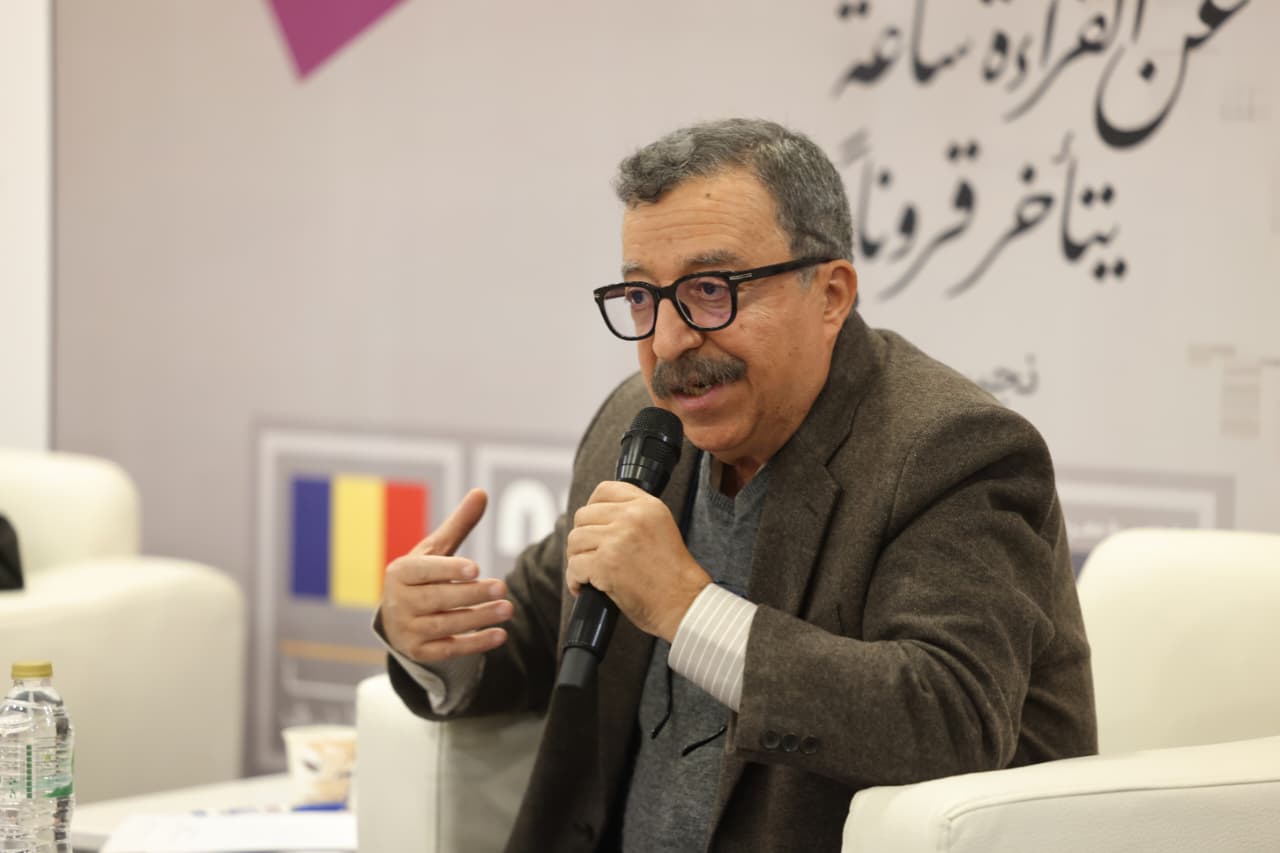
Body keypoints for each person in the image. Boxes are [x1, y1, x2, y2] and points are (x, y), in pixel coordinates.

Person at [376, 118, 1096, 852]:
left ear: (831, 294)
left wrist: (686, 608)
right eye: (640, 297)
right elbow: (546, 637)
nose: (668, 342)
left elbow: (951, 719)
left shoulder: (949, 448)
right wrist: (431, 637)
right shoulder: (641, 422)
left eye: (710, 289)